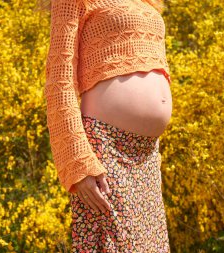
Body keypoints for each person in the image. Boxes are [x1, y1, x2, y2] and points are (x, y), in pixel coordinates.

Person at [41, 0, 172, 251]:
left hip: (145, 155)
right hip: (105, 145)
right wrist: (77, 159)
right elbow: (59, 78)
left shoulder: (146, 2)